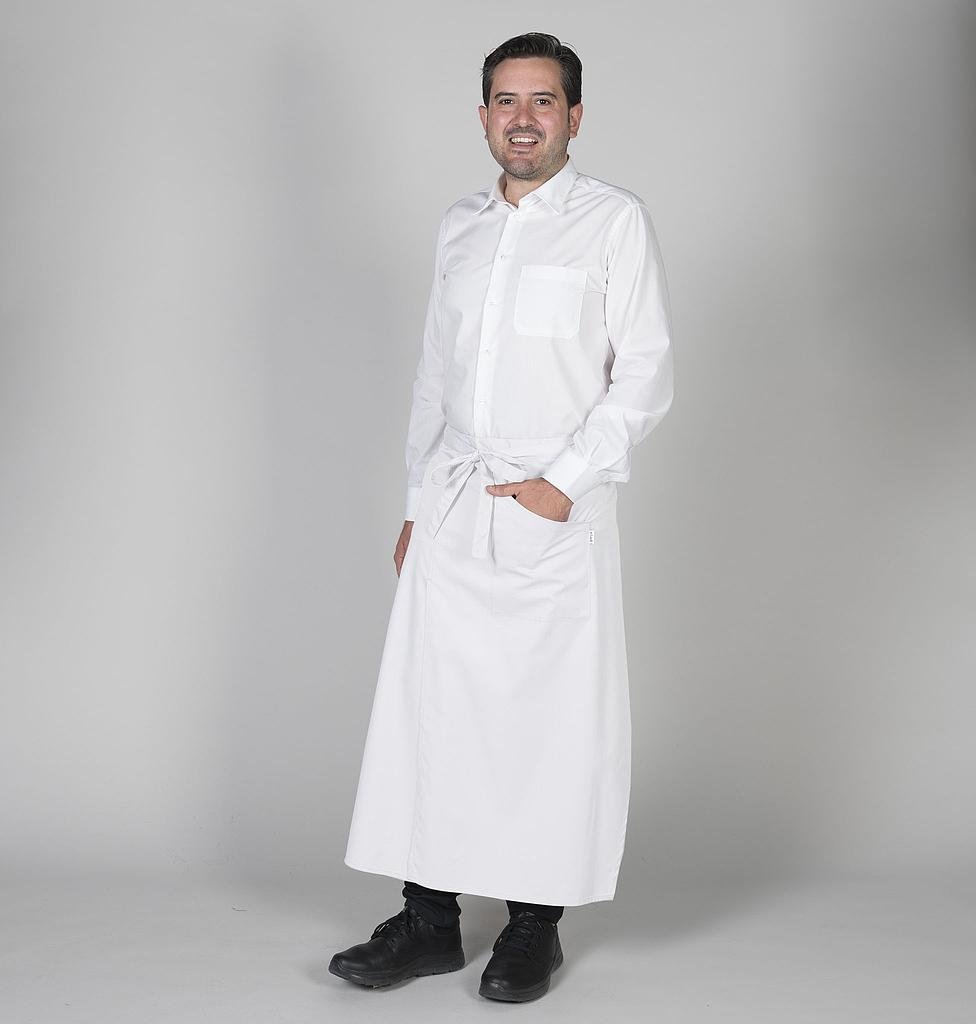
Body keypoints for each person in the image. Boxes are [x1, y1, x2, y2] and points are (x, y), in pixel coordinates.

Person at [328, 31, 674, 1003]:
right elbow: (434, 375)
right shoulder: (460, 226)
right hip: (450, 499)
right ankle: (429, 919)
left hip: (548, 510)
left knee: (545, 719)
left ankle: (532, 927)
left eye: (543, 101)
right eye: (506, 101)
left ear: (574, 116)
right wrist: (414, 502)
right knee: (431, 711)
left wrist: (566, 481)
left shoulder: (613, 222)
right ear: (483, 115)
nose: (523, 119)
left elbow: (646, 372)